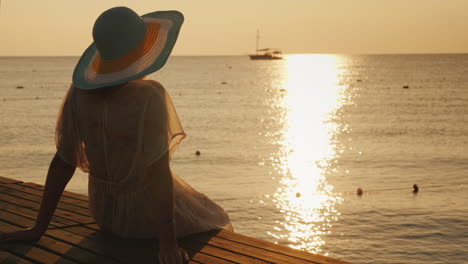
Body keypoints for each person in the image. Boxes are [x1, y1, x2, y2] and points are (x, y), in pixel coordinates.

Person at [0, 6, 233, 264]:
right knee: (215, 216)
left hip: (105, 214)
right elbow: (157, 172)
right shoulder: (149, 96)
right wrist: (168, 243)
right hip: (146, 220)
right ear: (140, 53)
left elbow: (63, 162)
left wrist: (38, 228)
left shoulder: (79, 94)